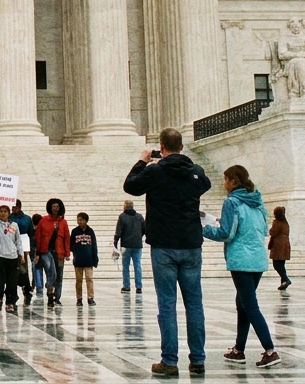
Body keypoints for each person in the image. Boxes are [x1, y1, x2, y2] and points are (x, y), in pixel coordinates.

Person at [123, 128, 212, 378]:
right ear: (182, 147)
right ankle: (197, 360)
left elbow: (130, 186)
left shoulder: (155, 171)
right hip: (191, 245)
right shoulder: (195, 172)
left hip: (164, 245)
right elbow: (205, 183)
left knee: (168, 304)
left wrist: (142, 161)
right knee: (195, 304)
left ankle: (169, 361)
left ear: (161, 147)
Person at [204, 165, 281, 369]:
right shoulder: (257, 201)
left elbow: (226, 234)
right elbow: (264, 229)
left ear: (233, 181)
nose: (224, 183)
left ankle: (270, 350)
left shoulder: (232, 202)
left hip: (241, 259)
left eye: (226, 179)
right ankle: (239, 350)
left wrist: (203, 229)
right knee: (243, 303)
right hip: (257, 259)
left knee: (250, 306)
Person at [36, 198, 71, 307]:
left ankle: (57, 297)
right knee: (51, 274)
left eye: (57, 207)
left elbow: (66, 238)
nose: (55, 209)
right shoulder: (44, 221)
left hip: (59, 253)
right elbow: (38, 236)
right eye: (53, 206)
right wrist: (38, 252)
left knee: (59, 276)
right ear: (50, 208)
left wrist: (67, 253)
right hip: (46, 252)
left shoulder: (63, 222)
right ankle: (50, 295)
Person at [0, 203, 23, 313]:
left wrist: (21, 254)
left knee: (11, 281)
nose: (3, 213)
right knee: (1, 280)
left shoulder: (14, 225)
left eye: (5, 211)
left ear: (9, 213)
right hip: (0, 256)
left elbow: (18, 241)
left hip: (12, 256)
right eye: (1, 211)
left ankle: (10, 302)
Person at [114, 200, 146, 293]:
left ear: (125, 206)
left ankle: (126, 285)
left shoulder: (122, 217)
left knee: (125, 266)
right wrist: (139, 237)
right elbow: (144, 229)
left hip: (126, 245)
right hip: (137, 244)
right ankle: (139, 286)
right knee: (137, 266)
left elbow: (118, 231)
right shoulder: (139, 217)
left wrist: (115, 242)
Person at [10, 201, 36, 304]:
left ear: (19, 207)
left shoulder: (27, 218)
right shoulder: (9, 218)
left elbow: (31, 234)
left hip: (24, 247)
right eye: (12, 207)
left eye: (15, 207)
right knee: (12, 272)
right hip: (11, 247)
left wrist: (32, 249)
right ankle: (13, 294)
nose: (14, 209)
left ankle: (27, 291)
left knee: (23, 270)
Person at [71, 212, 98, 306]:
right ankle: (79, 298)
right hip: (78, 260)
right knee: (78, 281)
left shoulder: (90, 231)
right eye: (78, 219)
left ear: (86, 221)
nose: (79, 221)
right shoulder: (74, 231)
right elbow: (71, 245)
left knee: (89, 279)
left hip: (88, 260)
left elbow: (94, 246)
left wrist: (95, 259)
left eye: (81, 220)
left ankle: (90, 298)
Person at [269, 206, 291, 290]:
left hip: (278, 245)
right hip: (285, 244)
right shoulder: (285, 222)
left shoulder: (277, 222)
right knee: (281, 264)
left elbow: (273, 232)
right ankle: (283, 283)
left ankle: (286, 279)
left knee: (276, 265)